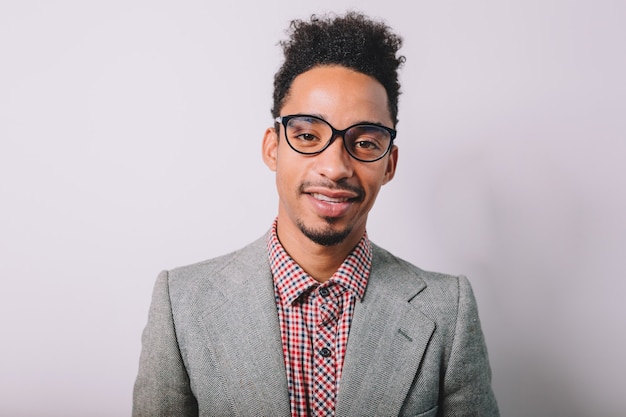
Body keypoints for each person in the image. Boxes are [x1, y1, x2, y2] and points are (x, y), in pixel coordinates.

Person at [133, 11, 499, 417]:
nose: (335, 167)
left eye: (363, 142)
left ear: (389, 164)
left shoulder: (448, 309)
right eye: (308, 135)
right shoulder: (182, 303)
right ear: (273, 148)